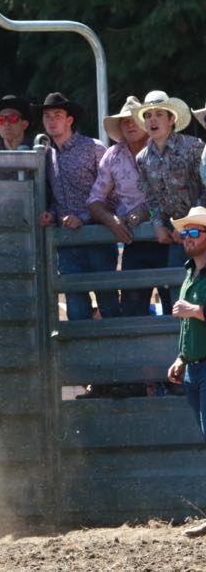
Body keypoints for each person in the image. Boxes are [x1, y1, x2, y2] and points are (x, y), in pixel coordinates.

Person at [36, 92, 119, 320]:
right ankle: (80, 353)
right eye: (47, 116)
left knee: (108, 300)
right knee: (75, 304)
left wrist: (82, 217)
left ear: (69, 120)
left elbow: (111, 195)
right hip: (67, 242)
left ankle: (116, 351)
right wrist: (50, 214)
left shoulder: (94, 148)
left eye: (57, 115)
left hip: (97, 236)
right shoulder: (46, 154)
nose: (52, 120)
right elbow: (55, 199)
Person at [87, 96, 166, 317]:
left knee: (174, 306)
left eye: (134, 119)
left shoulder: (162, 147)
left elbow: (174, 195)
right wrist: (111, 220)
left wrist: (144, 212)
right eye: (124, 121)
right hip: (134, 242)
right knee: (133, 308)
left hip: (168, 237)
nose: (130, 124)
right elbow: (94, 199)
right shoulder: (113, 155)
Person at [135, 90, 206, 308]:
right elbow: (151, 199)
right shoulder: (142, 159)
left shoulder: (194, 147)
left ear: (171, 119)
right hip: (174, 235)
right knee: (178, 293)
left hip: (200, 229)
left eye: (158, 114)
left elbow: (205, 189)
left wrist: (187, 225)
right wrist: (157, 225)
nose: (152, 120)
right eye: (147, 116)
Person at [165, 207, 206, 538]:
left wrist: (196, 310)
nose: (187, 238)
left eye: (195, 232)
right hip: (195, 368)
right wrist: (181, 357)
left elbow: (194, 317)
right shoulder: (191, 273)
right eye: (185, 233)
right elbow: (190, 328)